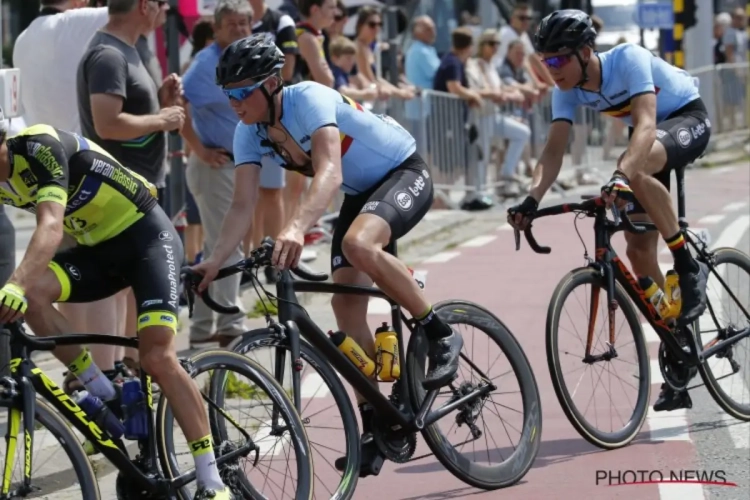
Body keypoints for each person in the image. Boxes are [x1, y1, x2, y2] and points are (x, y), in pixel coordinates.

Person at [192, 33, 464, 476]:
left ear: (272, 83)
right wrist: (214, 261)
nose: (236, 103)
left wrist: (297, 226)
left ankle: (441, 332)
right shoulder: (248, 132)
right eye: (229, 95)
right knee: (344, 305)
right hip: (361, 194)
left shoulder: (308, 99)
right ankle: (379, 422)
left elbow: (330, 170)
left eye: (244, 92)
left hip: (402, 172)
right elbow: (241, 206)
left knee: (359, 244)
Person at [0, 114, 236, 499]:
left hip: (147, 240)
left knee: (157, 357)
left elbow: (51, 227)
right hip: (98, 252)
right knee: (32, 296)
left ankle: (212, 480)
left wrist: (13, 282)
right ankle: (103, 390)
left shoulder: (39, 146)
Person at [507, 10, 711, 412]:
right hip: (647, 139)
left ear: (585, 52)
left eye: (559, 59)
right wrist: (530, 200)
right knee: (637, 252)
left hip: (685, 118)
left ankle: (687, 263)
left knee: (633, 166)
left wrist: (620, 173)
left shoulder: (628, 59)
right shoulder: (565, 90)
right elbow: (552, 151)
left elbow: (647, 123)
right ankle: (678, 350)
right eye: (545, 61)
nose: (552, 69)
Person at [13, 0, 131, 387]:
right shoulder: (81, 22)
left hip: (38, 168)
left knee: (64, 278)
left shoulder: (24, 36)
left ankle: (83, 374)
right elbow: (128, 11)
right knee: (108, 279)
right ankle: (109, 371)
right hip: (82, 167)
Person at [180, 0, 252, 348]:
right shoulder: (206, 64)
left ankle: (203, 327)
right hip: (215, 165)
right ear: (218, 28)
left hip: (232, 164)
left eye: (245, 23)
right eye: (234, 24)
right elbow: (178, 103)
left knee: (216, 245)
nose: (240, 29)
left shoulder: (240, 56)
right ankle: (231, 323)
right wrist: (199, 148)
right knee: (229, 245)